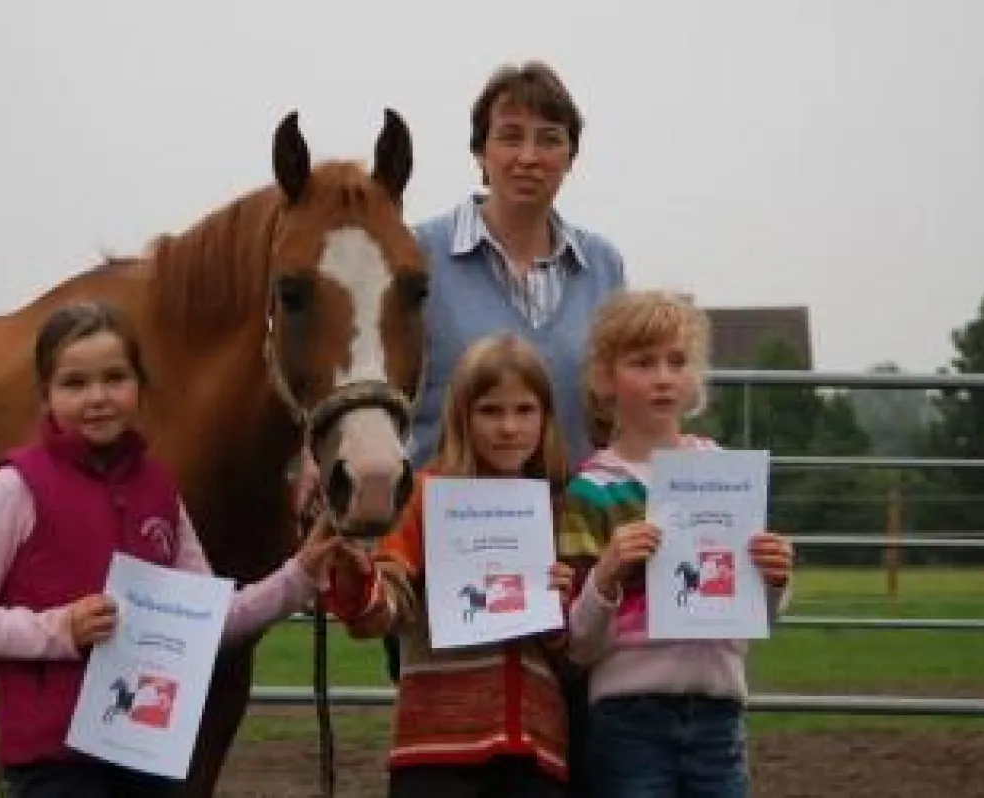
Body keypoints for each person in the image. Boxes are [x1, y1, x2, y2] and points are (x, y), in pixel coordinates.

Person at [0, 300, 345, 798]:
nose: (98, 397)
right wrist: (57, 630)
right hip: (55, 765)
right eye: (75, 384)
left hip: (147, 753)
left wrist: (297, 577)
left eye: (115, 378)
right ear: (46, 396)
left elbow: (207, 619)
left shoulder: (159, 489)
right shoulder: (16, 487)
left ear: (139, 388)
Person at [390, 58, 629, 794]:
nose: (529, 155)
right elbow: (378, 376)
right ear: (480, 150)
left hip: (570, 544)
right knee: (455, 746)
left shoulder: (604, 266)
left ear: (570, 156)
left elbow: (611, 405)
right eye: (510, 135)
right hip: (447, 547)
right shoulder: (418, 254)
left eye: (549, 138)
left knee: (568, 748)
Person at [557, 289, 795, 798]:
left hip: (719, 715)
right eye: (642, 363)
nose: (663, 377)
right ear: (605, 378)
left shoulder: (724, 475)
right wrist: (607, 574)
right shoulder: (590, 491)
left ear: (695, 379)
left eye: (677, 361)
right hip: (627, 719)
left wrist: (775, 579)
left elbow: (760, 616)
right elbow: (577, 644)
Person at [323, 333, 577, 798]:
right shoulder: (423, 497)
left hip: (537, 749)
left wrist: (562, 609)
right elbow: (387, 605)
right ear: (462, 415)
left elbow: (577, 651)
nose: (508, 428)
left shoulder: (560, 506)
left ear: (545, 419)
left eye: (524, 411)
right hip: (436, 747)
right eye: (490, 411)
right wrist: (359, 579)